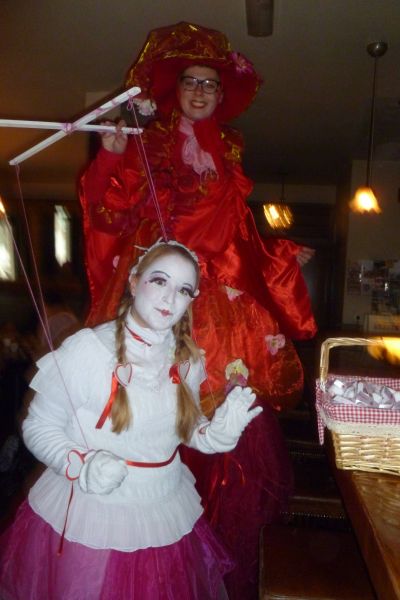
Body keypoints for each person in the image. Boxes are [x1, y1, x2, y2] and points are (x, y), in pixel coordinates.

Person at [79, 22, 317, 598]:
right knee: (153, 413)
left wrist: (277, 256)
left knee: (227, 434)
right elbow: (110, 212)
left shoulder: (228, 150)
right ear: (175, 89)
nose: (201, 90)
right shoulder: (148, 143)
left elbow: (238, 233)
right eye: (191, 80)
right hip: (166, 295)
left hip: (224, 306)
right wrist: (111, 157)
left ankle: (207, 565)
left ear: (222, 93)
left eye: (211, 83)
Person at [0, 240, 262, 600]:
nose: (170, 298)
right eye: (160, 281)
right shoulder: (87, 350)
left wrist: (212, 434)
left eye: (183, 290)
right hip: (94, 515)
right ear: (134, 281)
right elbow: (37, 425)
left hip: (164, 507)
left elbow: (182, 428)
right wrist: (81, 465)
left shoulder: (188, 358)